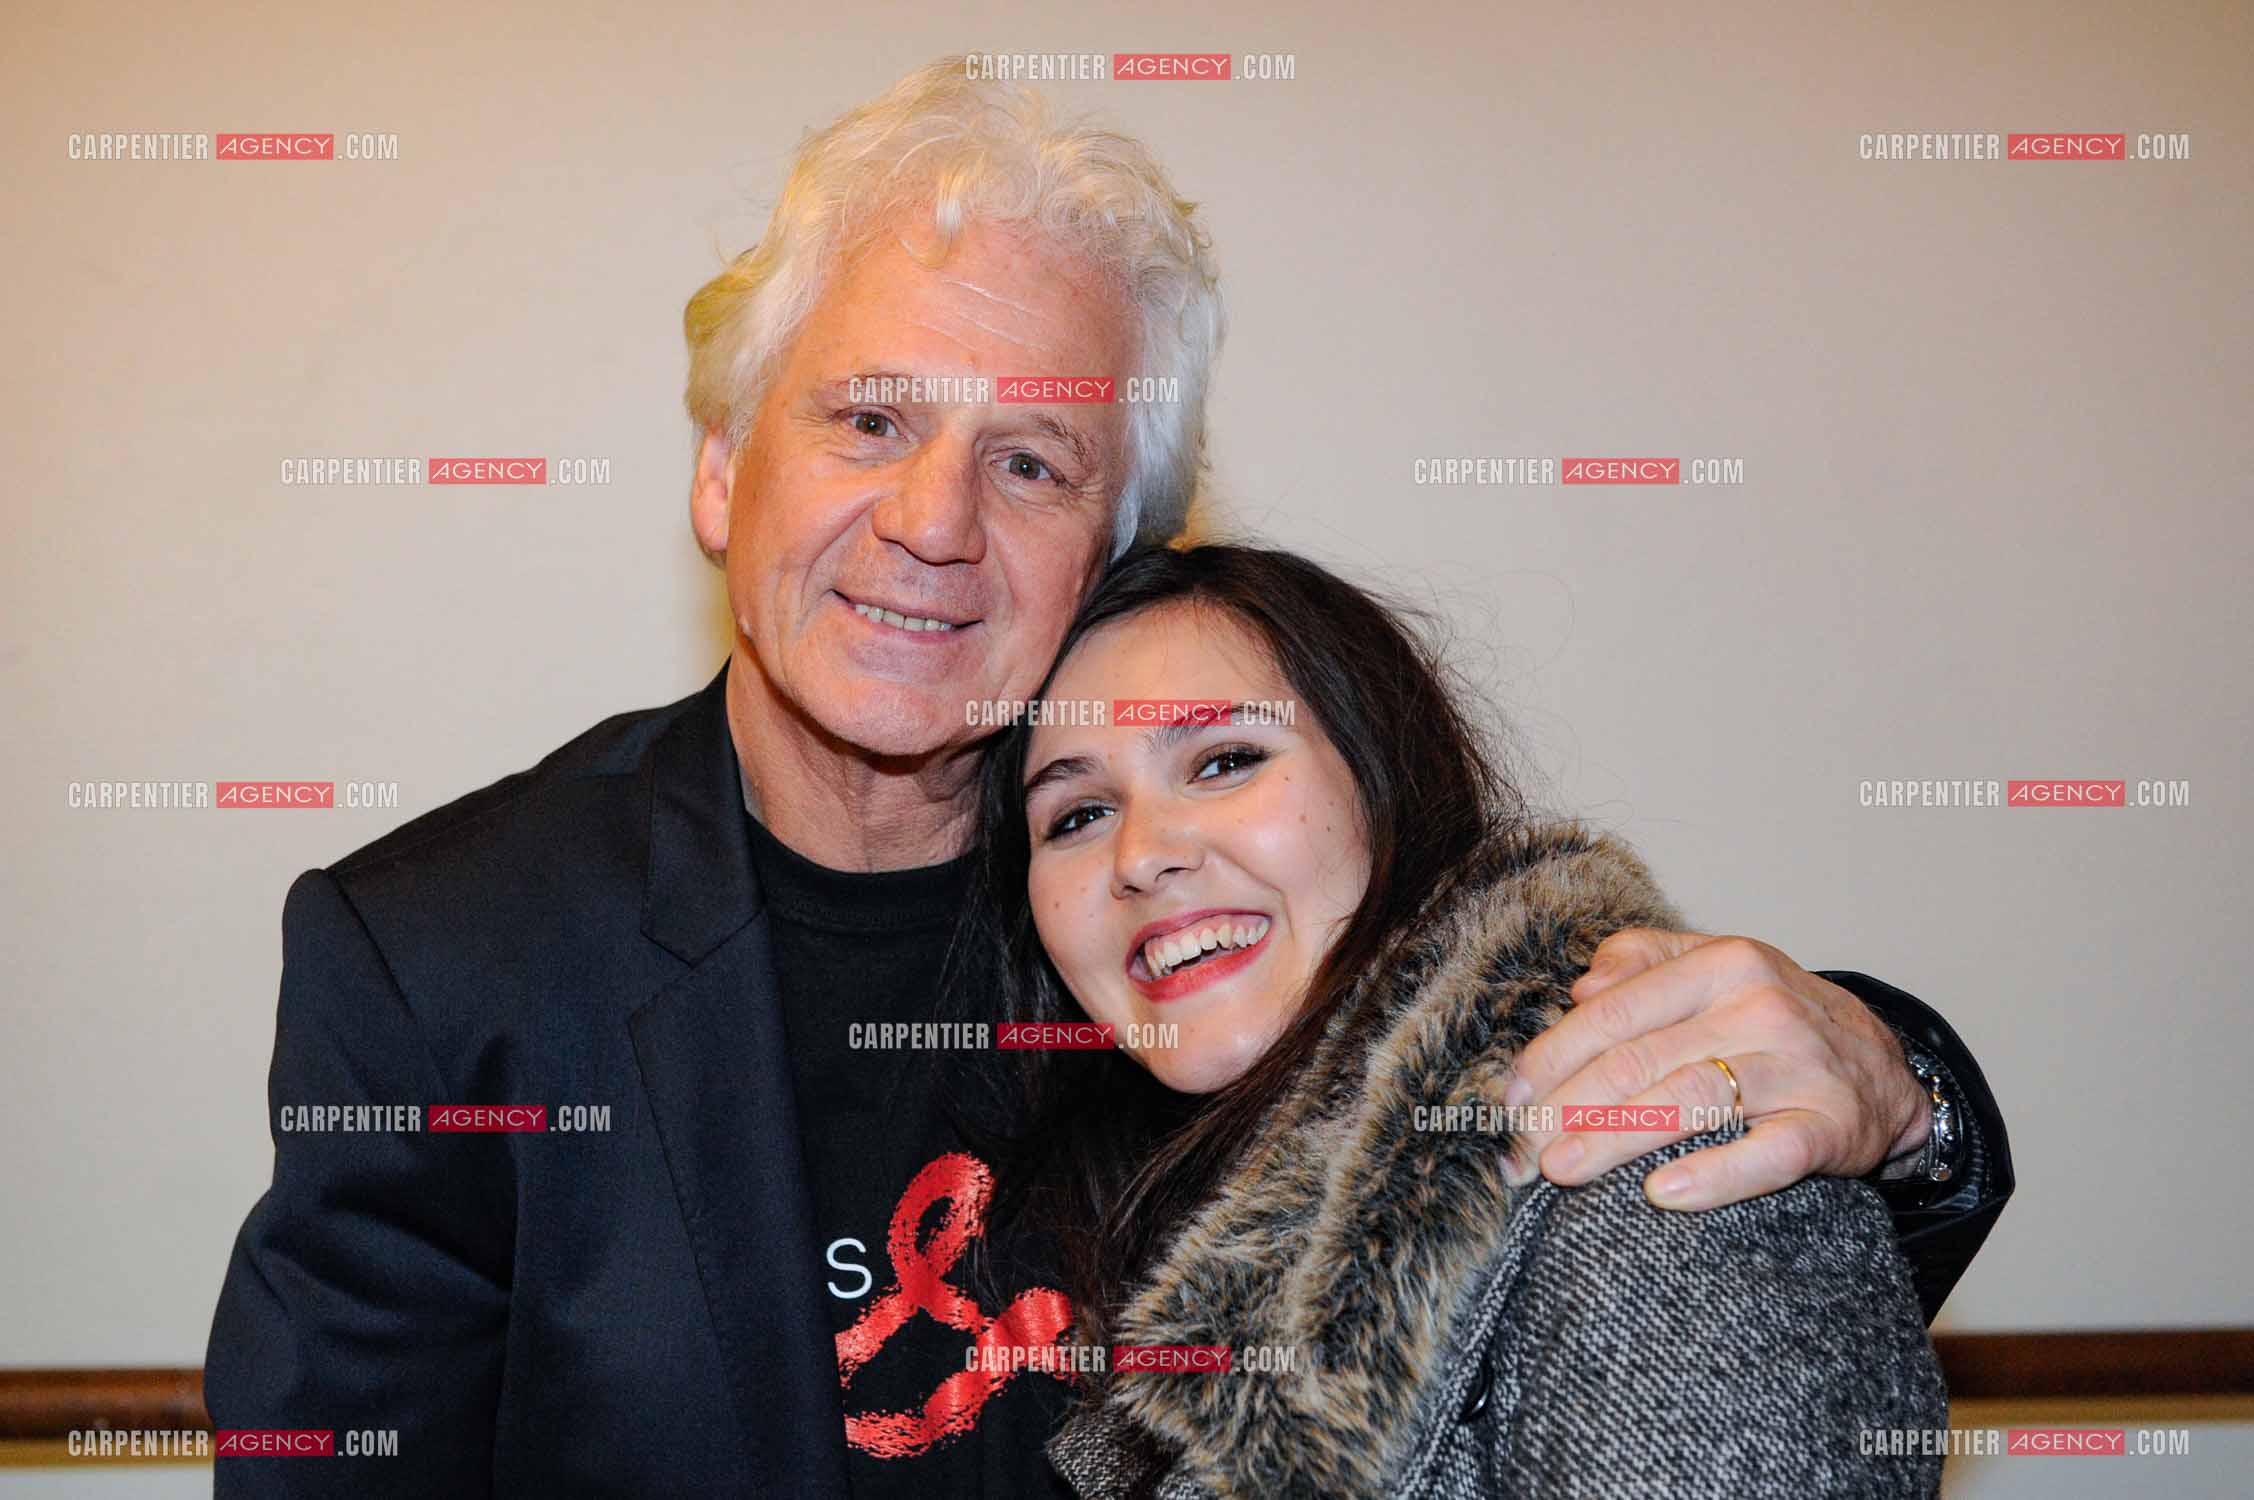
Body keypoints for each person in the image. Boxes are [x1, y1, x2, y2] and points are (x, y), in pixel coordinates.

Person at [205, 58, 2005, 1498]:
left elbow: (1628, 1288)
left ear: (1120, 550)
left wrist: (1904, 1091)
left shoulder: (1224, 923)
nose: (928, 523)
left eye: (1033, 460)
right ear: (716, 475)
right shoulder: (443, 957)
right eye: (866, 418)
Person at [970, 542, 1948, 1498]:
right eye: (1077, 816)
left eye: (1224, 760)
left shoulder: (1631, 1132)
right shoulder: (1147, 1226)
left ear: (1383, 782)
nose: (1140, 854)